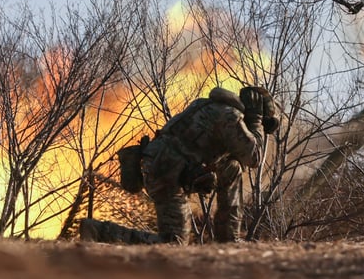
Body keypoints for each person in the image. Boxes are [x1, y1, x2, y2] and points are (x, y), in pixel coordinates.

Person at [81, 85, 279, 245]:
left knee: (232, 168)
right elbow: (253, 157)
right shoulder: (229, 116)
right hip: (166, 171)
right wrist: (256, 121)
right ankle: (98, 231)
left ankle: (227, 239)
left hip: (164, 166)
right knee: (174, 242)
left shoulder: (209, 106)